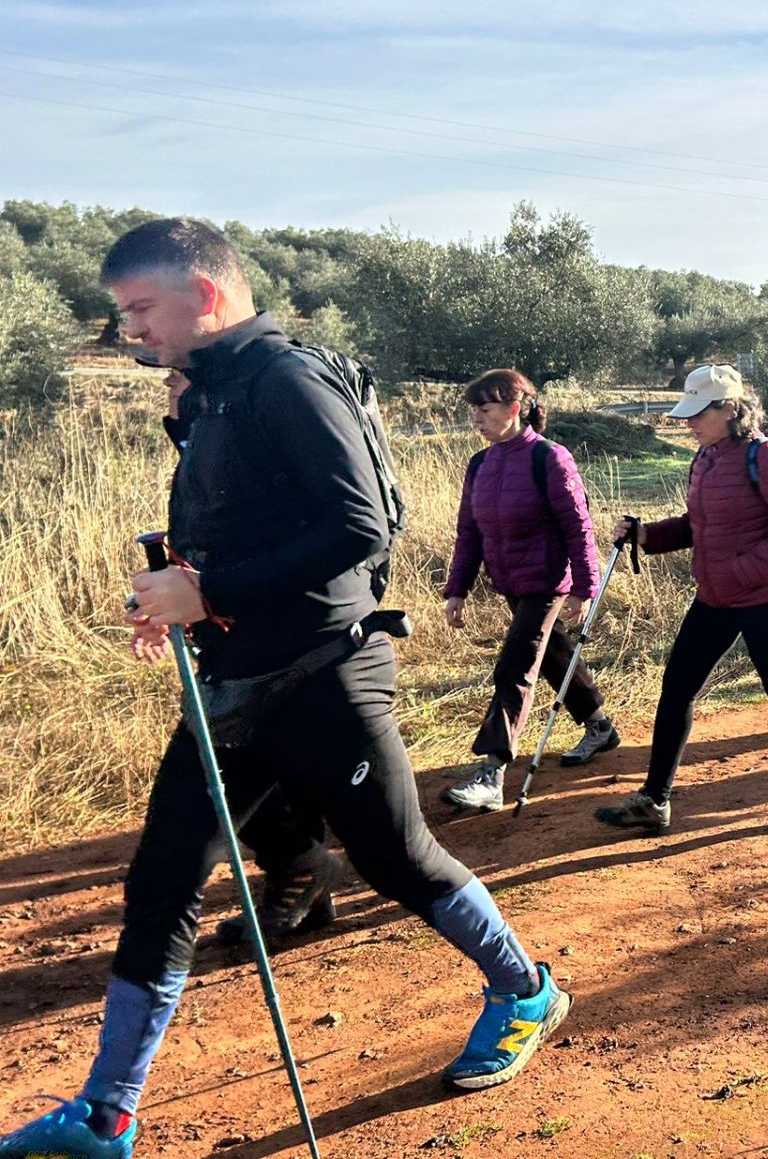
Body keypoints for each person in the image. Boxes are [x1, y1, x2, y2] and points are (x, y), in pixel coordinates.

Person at [3, 221, 568, 1159]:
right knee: (164, 878)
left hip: (327, 670)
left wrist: (210, 590)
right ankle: (107, 1115)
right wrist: (180, 595)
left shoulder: (287, 378)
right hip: (233, 679)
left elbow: (361, 525)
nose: (132, 331)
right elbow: (249, 528)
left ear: (205, 292)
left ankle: (525, 991)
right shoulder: (214, 397)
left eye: (141, 308)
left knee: (397, 858)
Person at [150, 361, 342, 949]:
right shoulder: (201, 434)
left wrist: (211, 592)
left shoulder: (249, 428)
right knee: (259, 762)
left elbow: (270, 535)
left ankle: (304, 867)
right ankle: (303, 881)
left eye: (177, 378)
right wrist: (167, 596)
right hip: (232, 626)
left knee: (226, 765)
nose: (167, 385)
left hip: (267, 629)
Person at [595, 364, 768, 835]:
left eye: (698, 412)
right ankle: (655, 799)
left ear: (729, 408)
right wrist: (646, 536)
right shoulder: (704, 458)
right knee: (677, 686)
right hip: (716, 596)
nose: (689, 422)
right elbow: (698, 524)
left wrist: (740, 571)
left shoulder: (764, 455)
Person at [440, 369, 618, 813]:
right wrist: (457, 588)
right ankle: (599, 725)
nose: (476, 419)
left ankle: (492, 773)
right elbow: (469, 532)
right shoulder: (480, 464)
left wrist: (584, 588)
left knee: (515, 666)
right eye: (473, 411)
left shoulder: (550, 459)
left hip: (546, 582)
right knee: (553, 653)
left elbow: (578, 528)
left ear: (514, 409)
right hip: (511, 582)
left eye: (484, 409)